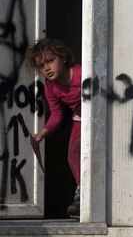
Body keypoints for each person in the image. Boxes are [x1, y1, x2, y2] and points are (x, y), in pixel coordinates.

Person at [25, 38, 81, 218]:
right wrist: (41, 133)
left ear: (63, 58)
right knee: (73, 153)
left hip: (98, 116)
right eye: (42, 66)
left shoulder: (81, 72)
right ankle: (82, 193)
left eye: (50, 61)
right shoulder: (51, 87)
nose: (46, 68)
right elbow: (57, 115)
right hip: (80, 121)